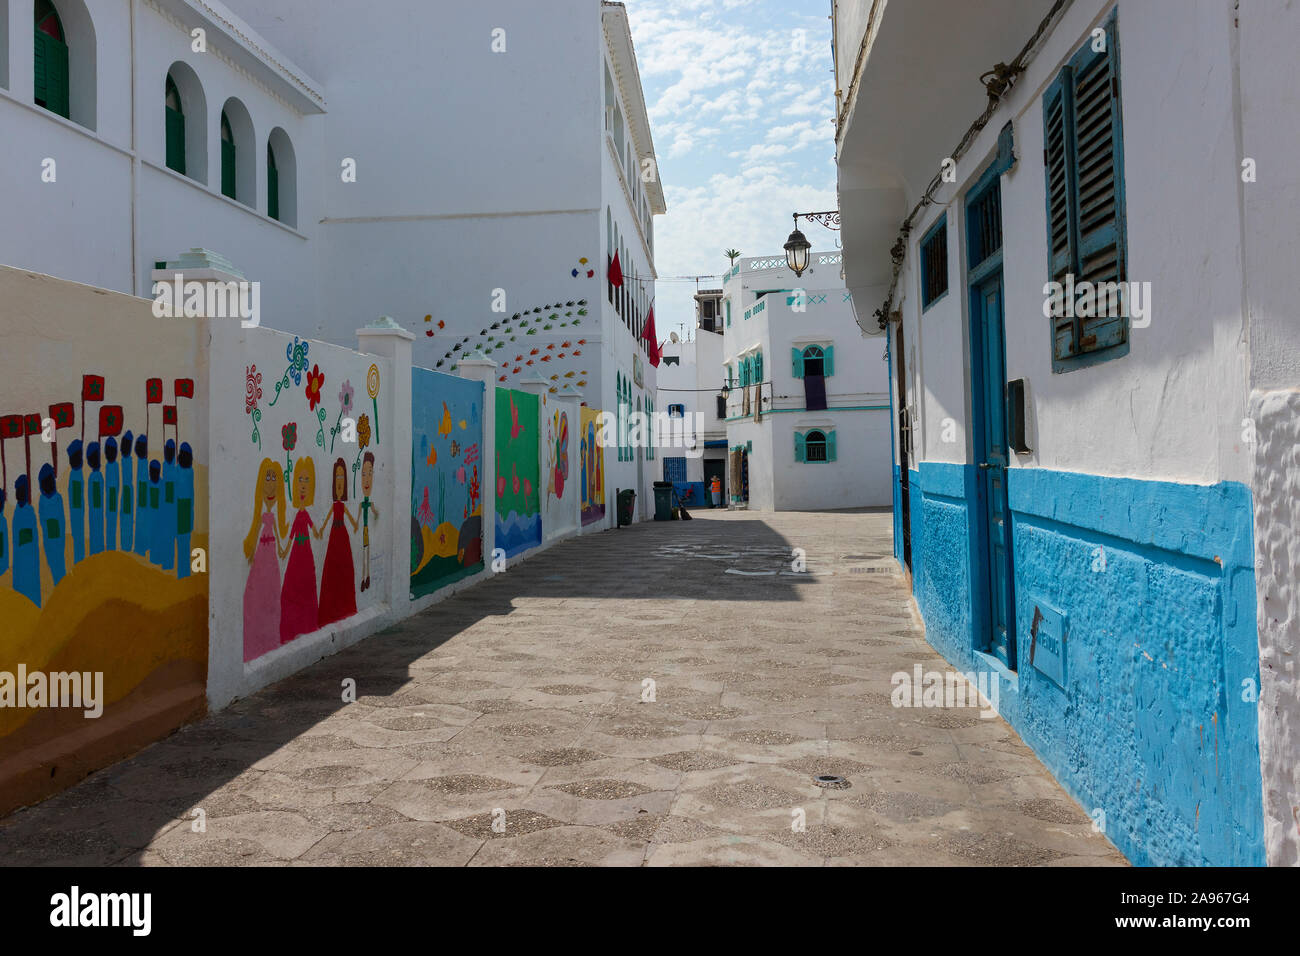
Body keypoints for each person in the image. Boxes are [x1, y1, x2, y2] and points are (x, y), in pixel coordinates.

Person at [243, 457, 287, 661]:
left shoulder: (275, 513)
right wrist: (251, 549)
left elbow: (279, 532)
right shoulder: (260, 513)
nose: (271, 482)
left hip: (272, 556)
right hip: (262, 553)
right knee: (258, 592)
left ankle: (270, 636)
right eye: (268, 477)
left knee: (271, 593)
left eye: (274, 477)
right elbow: (255, 528)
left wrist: (282, 548)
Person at [279, 457, 319, 644]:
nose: (303, 485)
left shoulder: (306, 514)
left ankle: (307, 624)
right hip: (296, 552)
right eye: (300, 480)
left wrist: (319, 531)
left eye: (307, 480)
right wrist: (285, 550)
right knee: (292, 587)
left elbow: (313, 528)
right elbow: (292, 535)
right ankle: (291, 628)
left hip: (306, 552)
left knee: (306, 586)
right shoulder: (296, 515)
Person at [316, 457, 358, 626]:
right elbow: (327, 519)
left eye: (342, 477)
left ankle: (344, 605)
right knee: (333, 570)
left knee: (344, 569)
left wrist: (355, 524)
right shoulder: (334, 505)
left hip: (343, 536)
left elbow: (350, 517)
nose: (340, 482)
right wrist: (320, 529)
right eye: (337, 477)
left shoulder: (342, 505)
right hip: (334, 535)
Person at [11, 476, 40, 607]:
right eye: (18, 490)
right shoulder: (17, 513)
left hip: (28, 562)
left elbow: (28, 539)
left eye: (21, 490)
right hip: (20, 562)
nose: (19, 493)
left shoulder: (28, 512)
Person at [37, 463, 67, 586]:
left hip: (53, 540)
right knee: (57, 568)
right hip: (52, 541)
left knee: (58, 568)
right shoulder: (50, 499)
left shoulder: (51, 499)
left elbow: (59, 521)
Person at [358, 452, 379, 592]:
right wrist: (354, 524)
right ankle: (363, 578)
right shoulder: (361, 504)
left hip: (366, 531)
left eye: (370, 474)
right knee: (364, 554)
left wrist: (376, 514)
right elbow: (358, 518)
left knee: (367, 552)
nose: (366, 480)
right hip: (363, 530)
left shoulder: (369, 503)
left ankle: (368, 576)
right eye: (363, 474)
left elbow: (375, 513)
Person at [175, 442, 195, 578]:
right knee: (183, 545)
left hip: (184, 509)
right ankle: (183, 572)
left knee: (183, 545)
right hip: (184, 509)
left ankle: (183, 573)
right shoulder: (188, 471)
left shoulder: (184, 471)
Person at [66, 438, 85, 565]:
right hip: (77, 514)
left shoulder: (76, 475)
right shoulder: (75, 476)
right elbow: (77, 500)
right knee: (78, 539)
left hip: (78, 514)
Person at [132, 434, 150, 558]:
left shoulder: (143, 464)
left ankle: (141, 548)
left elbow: (143, 485)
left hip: (143, 503)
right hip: (141, 503)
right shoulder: (140, 463)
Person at [86, 441, 104, 556]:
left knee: (96, 534)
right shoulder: (95, 477)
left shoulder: (95, 477)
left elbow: (96, 501)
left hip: (96, 512)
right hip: (95, 512)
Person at [119, 430, 135, 552]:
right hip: (126, 492)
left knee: (127, 521)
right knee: (126, 521)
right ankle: (126, 545)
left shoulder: (127, 460)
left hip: (127, 492)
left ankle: (126, 546)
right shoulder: (126, 460)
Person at [104, 436, 119, 551]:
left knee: (111, 526)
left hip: (111, 501)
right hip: (110, 501)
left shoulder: (114, 467)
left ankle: (111, 547)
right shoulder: (110, 467)